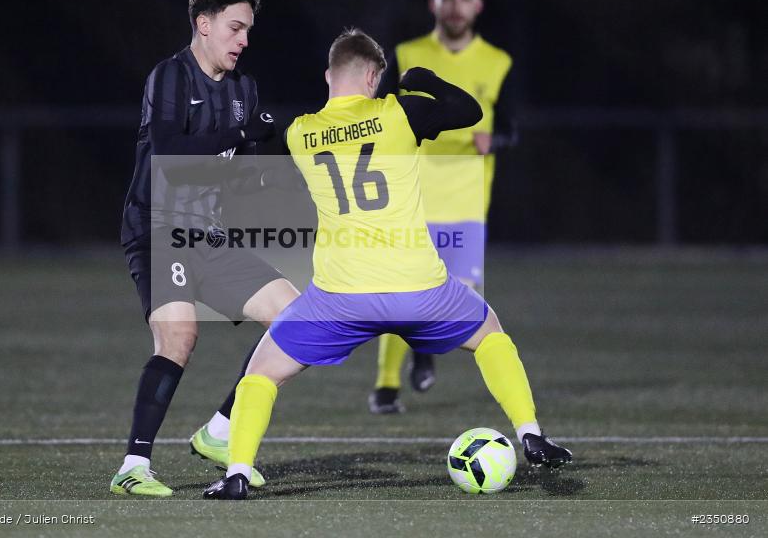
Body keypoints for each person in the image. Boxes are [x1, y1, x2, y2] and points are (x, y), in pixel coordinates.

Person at [202, 29, 571, 500]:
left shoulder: (300, 132)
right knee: (490, 333)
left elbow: (248, 166)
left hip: (341, 297)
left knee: (261, 372)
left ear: (328, 76)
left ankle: (237, 473)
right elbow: (469, 112)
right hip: (421, 289)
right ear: (374, 78)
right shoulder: (400, 113)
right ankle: (530, 434)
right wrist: (427, 81)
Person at [111, 0, 300, 497]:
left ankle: (220, 432)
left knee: (297, 320)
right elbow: (171, 155)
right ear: (204, 24)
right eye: (235, 28)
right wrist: (242, 133)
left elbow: (244, 172)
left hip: (207, 234)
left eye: (248, 31)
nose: (244, 41)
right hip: (157, 227)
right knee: (179, 336)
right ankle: (133, 467)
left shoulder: (244, 89)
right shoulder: (170, 77)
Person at [370, 0, 519, 414]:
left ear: (478, 6)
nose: (456, 6)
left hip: (466, 200)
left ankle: (422, 351)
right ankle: (386, 386)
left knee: (455, 295)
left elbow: (512, 127)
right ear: (433, 6)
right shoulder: (408, 54)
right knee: (399, 291)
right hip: (410, 196)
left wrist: (497, 139)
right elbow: (378, 114)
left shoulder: (497, 62)